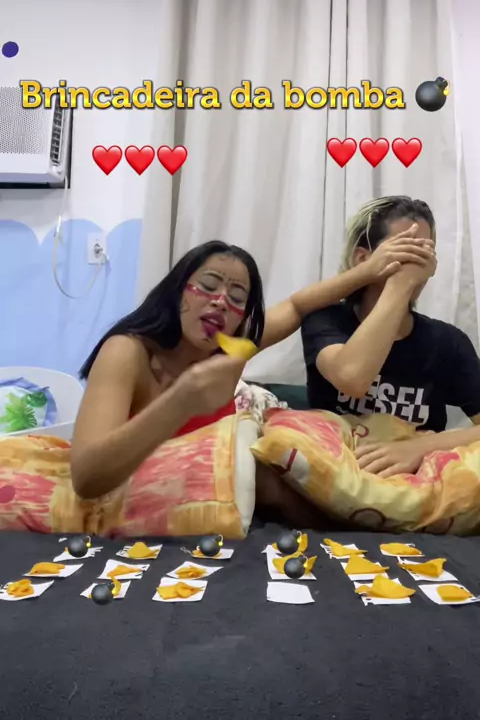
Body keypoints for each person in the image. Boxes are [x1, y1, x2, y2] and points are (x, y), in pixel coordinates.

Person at [71, 234, 434, 513]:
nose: (220, 301)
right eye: (208, 286)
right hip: (160, 502)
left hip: (235, 481)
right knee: (266, 481)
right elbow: (86, 477)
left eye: (236, 297)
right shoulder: (127, 352)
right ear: (177, 291)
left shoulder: (231, 349)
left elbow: (297, 306)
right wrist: (181, 400)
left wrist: (370, 272)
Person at [301, 196, 480, 479]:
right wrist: (400, 283)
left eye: (426, 253)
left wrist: (422, 446)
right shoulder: (326, 319)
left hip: (417, 482)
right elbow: (352, 377)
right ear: (363, 259)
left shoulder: (448, 342)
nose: (418, 266)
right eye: (406, 249)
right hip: (336, 474)